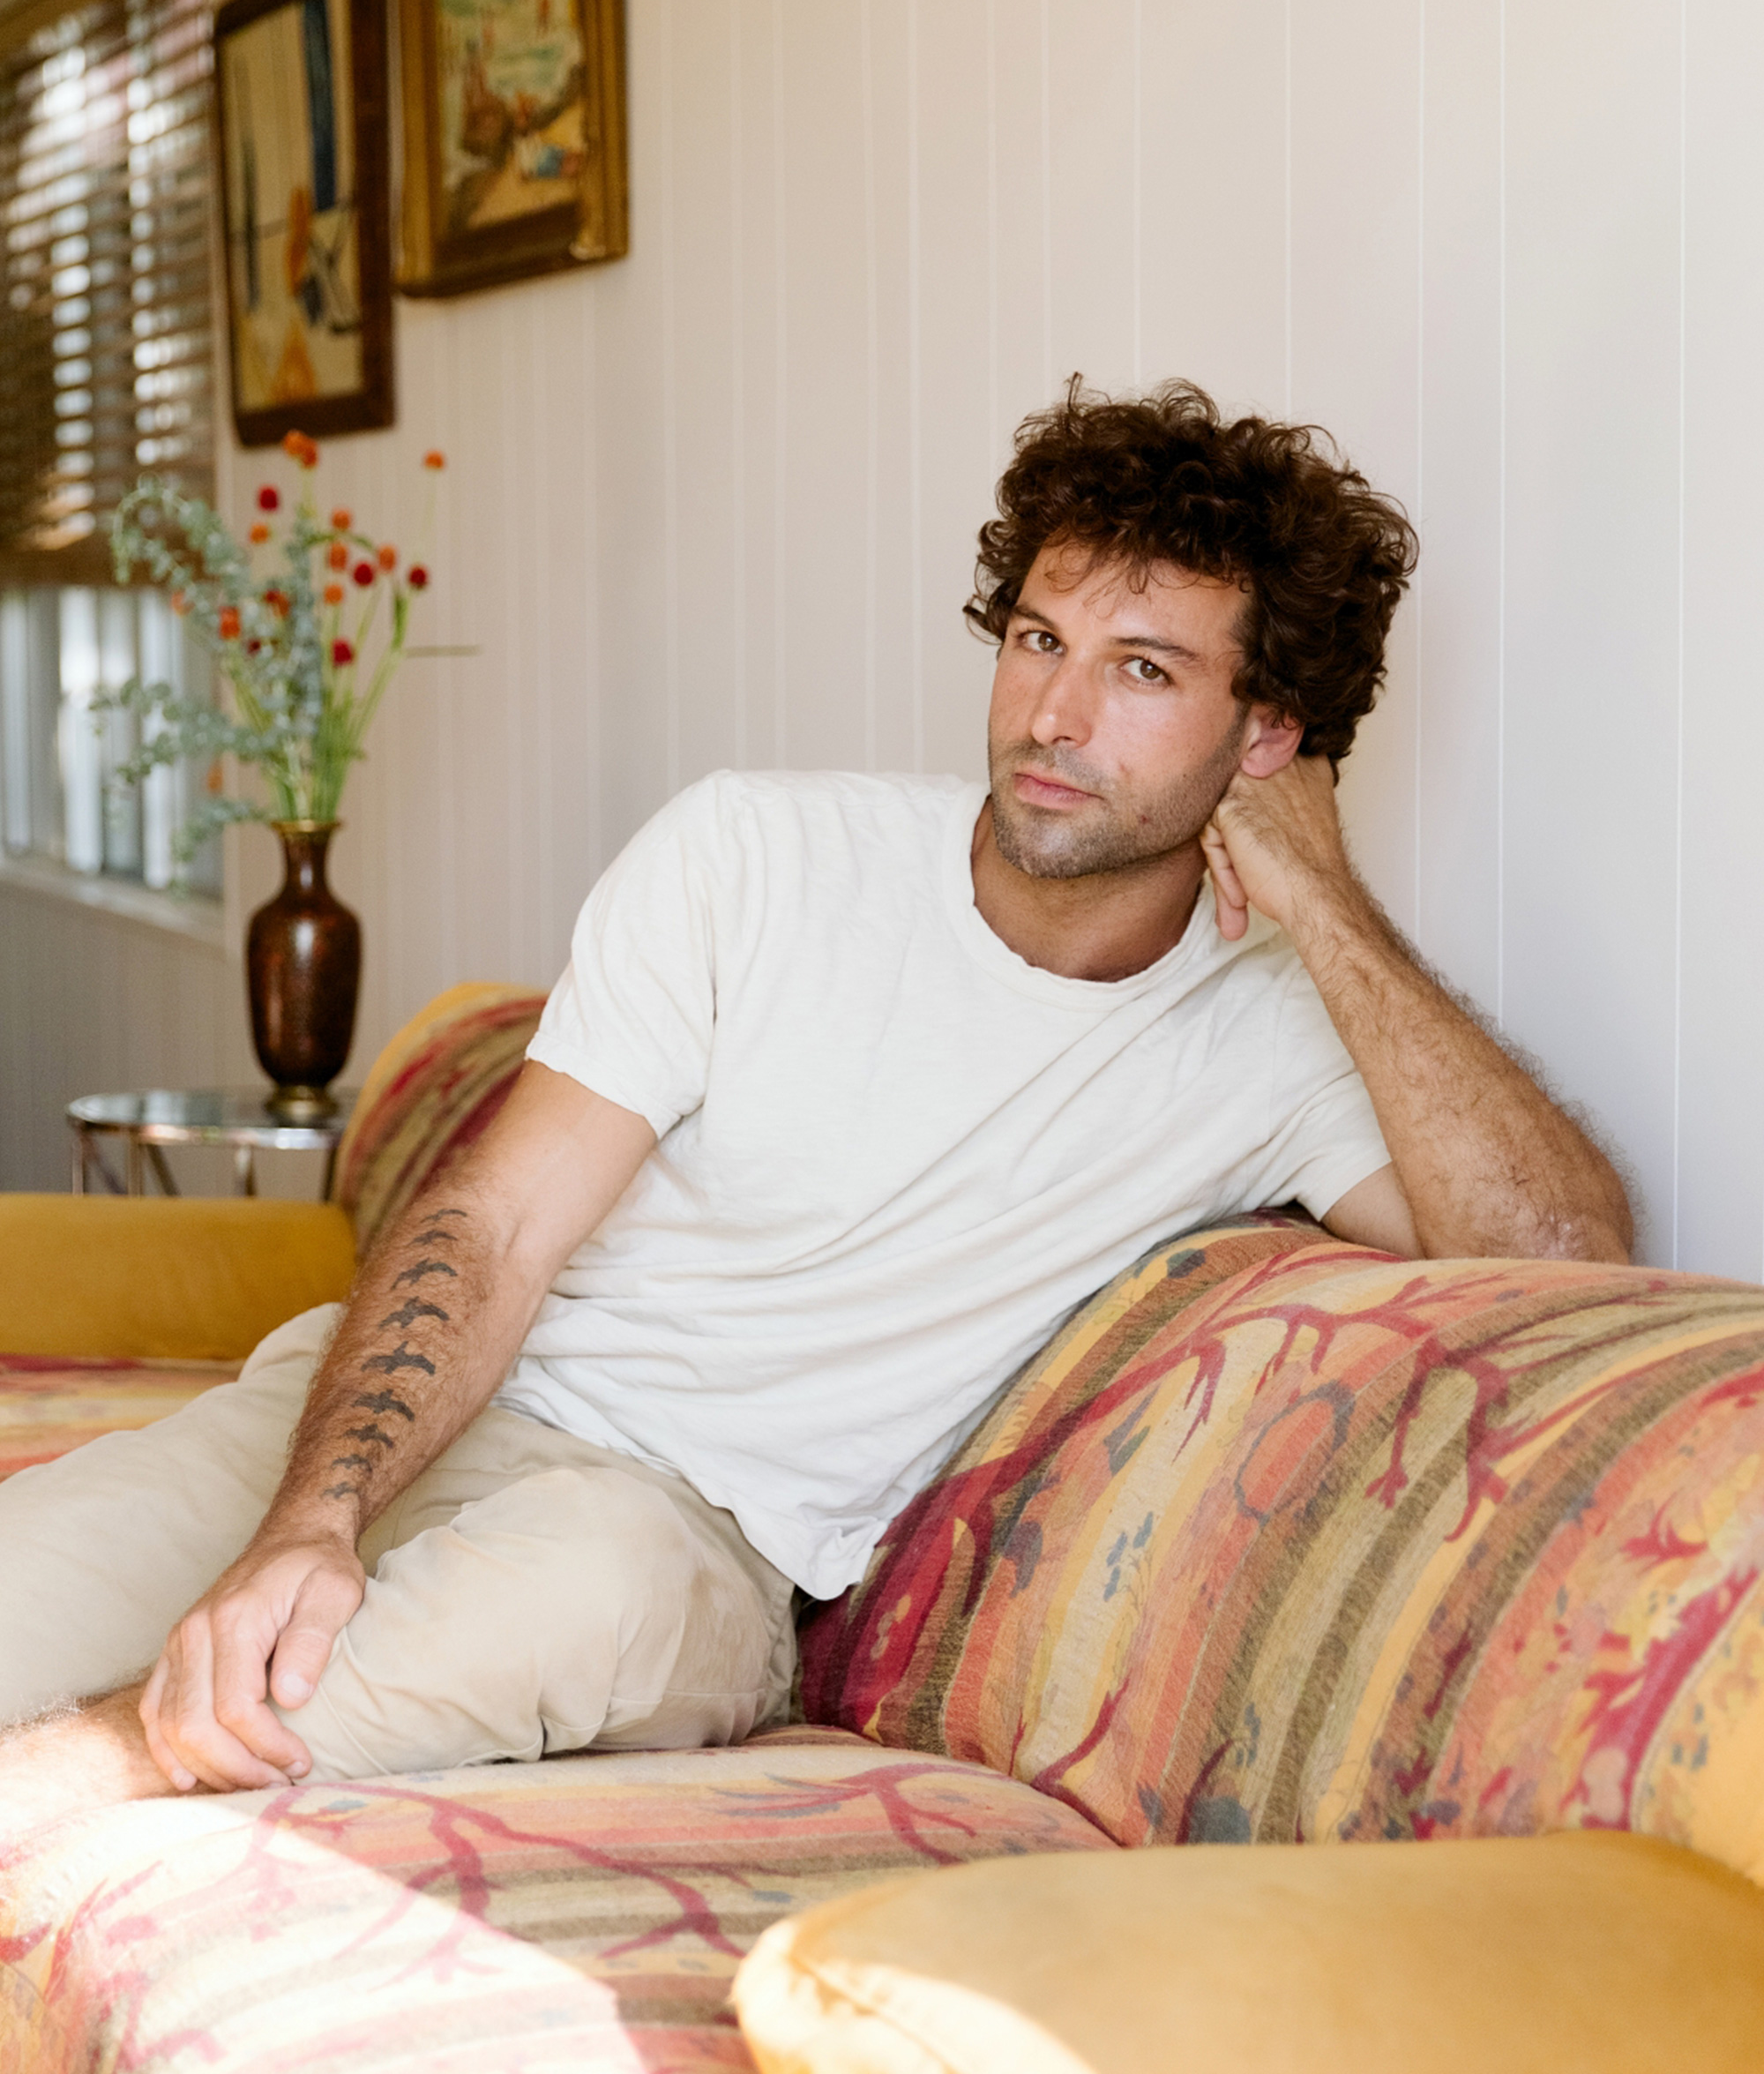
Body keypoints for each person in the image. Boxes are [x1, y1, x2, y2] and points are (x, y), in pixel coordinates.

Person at [0, 380, 1631, 1835]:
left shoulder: (1280, 1031)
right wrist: (316, 1516)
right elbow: (491, 1223)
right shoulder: (755, 856)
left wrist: (1326, 900)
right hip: (425, 1415)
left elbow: (1563, 1256)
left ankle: (74, 1789)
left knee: (580, 1591)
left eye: (1144, 671)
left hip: (683, 1546)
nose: (1054, 718)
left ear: (1267, 735)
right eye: (1039, 641)